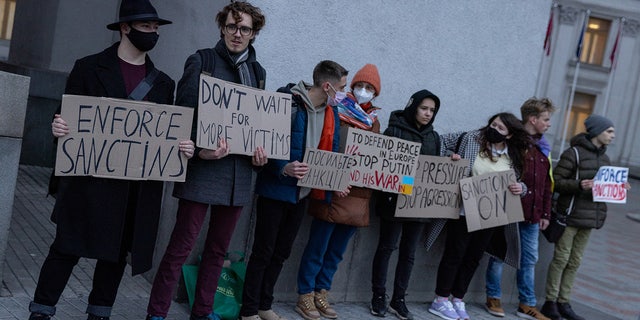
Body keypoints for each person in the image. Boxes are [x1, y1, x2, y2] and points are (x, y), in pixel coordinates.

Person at [28, 1, 195, 319]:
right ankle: (41, 309)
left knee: (116, 253)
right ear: (125, 28)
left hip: (132, 186)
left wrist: (182, 147)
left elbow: (164, 136)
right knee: (66, 247)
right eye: (146, 26)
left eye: (156, 28)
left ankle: (99, 311)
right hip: (87, 182)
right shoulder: (88, 68)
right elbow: (68, 115)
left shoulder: (163, 83)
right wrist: (58, 125)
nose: (153, 33)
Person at [145, 2, 267, 320]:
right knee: (180, 247)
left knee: (217, 251)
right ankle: (156, 312)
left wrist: (259, 156)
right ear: (221, 27)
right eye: (231, 26)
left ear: (254, 34)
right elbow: (184, 114)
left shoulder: (258, 73)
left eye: (245, 29)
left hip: (239, 176)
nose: (237, 34)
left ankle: (203, 311)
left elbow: (258, 125)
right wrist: (202, 150)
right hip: (203, 170)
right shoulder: (202, 60)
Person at [239, 60, 348, 320]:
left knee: (281, 252)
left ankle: (265, 305)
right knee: (263, 251)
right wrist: (283, 167)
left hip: (303, 195)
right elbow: (264, 141)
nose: (345, 94)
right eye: (342, 88)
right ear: (327, 85)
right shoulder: (287, 101)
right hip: (275, 191)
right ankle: (249, 310)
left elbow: (330, 154)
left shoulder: (331, 113)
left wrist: (336, 181)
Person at [295, 64, 382, 320]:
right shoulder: (337, 111)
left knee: (335, 252)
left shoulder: (374, 121)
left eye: (370, 88)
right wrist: (335, 179)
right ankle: (305, 294)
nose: (363, 91)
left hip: (357, 197)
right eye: (359, 85)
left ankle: (323, 291)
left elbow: (375, 162)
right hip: (332, 191)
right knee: (318, 247)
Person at [428, 112, 530, 320]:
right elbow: (440, 141)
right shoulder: (471, 139)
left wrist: (522, 188)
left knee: (473, 257)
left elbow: (520, 182)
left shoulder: (513, 155)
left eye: (501, 128)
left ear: (509, 135)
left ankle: (458, 298)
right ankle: (440, 299)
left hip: (492, 214)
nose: (494, 129)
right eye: (493, 124)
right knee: (454, 254)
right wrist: (450, 157)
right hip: (463, 209)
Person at [540, 115, 630, 320]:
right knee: (561, 259)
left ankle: (564, 302)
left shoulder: (605, 159)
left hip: (589, 219)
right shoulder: (574, 153)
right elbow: (557, 181)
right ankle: (550, 301)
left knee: (575, 261)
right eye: (609, 131)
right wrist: (579, 184)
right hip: (570, 215)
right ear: (596, 131)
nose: (613, 136)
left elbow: (604, 189)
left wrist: (619, 187)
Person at [369, 89, 443, 320]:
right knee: (387, 248)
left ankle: (398, 299)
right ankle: (378, 296)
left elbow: (434, 170)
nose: (428, 113)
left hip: (419, 206)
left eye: (432, 110)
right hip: (394, 201)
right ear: (413, 107)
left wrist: (450, 162)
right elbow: (383, 165)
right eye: (424, 108)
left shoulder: (434, 137)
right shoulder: (395, 131)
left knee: (409, 254)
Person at [484, 98, 556, 320]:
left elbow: (546, 183)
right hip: (510, 209)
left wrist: (545, 213)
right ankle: (493, 297)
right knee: (499, 254)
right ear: (533, 120)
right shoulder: (514, 143)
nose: (549, 124)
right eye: (546, 119)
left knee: (529, 259)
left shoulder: (544, 147)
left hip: (533, 215)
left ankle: (527, 304)